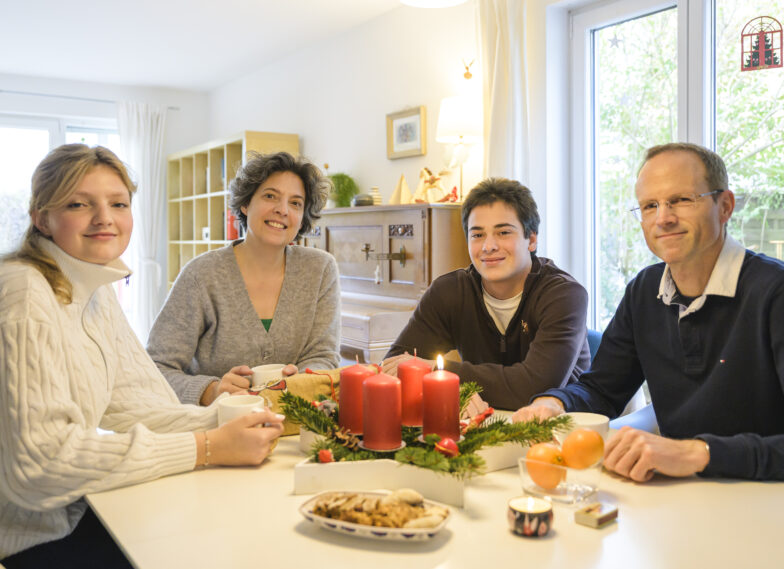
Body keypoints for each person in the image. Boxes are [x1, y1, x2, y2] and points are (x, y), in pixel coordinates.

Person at [0, 144, 285, 568]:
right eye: (80, 204)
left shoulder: (94, 289)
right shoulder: (25, 293)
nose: (105, 218)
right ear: (42, 217)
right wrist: (208, 446)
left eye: (118, 203)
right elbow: (40, 467)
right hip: (30, 534)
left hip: (71, 510)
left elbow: (138, 404)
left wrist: (231, 420)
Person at [513, 142, 784, 482]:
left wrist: (696, 452)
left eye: (682, 200)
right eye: (649, 205)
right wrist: (556, 404)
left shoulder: (774, 292)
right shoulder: (644, 290)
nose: (664, 218)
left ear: (725, 206)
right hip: (677, 497)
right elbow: (602, 389)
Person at [147, 152, 340, 407]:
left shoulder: (320, 269)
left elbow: (323, 357)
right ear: (246, 204)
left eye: (295, 203)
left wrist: (300, 382)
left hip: (294, 426)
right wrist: (212, 391)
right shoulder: (201, 275)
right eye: (270, 196)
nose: (282, 210)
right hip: (215, 431)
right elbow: (155, 369)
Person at [381, 177, 591, 410]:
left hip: (560, 429)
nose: (488, 246)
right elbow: (396, 364)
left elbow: (533, 388)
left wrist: (437, 370)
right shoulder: (449, 292)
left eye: (503, 232)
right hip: (481, 425)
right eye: (477, 235)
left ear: (531, 239)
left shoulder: (564, 295)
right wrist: (458, 391)